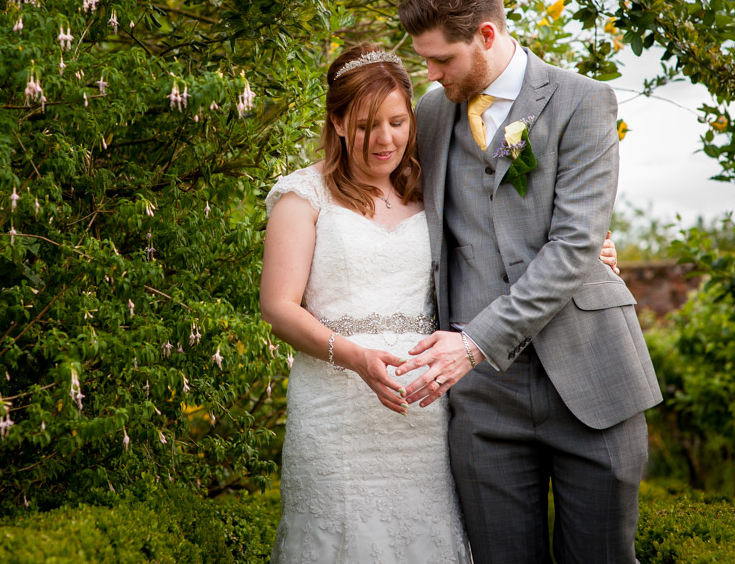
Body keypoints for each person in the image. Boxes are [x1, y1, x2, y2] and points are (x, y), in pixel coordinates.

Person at [260, 42, 620, 563]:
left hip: (424, 411)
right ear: (337, 123)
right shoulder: (302, 197)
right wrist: (356, 357)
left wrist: (593, 246)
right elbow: (278, 308)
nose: (383, 140)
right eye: (364, 127)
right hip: (336, 406)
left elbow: (506, 235)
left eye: (396, 122)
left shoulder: (430, 187)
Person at [391, 0, 663, 564]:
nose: (430, 75)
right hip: (483, 398)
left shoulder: (583, 102)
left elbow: (573, 246)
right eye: (425, 60)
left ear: (486, 36)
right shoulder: (432, 115)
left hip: (591, 376)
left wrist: (475, 341)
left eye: (442, 60)